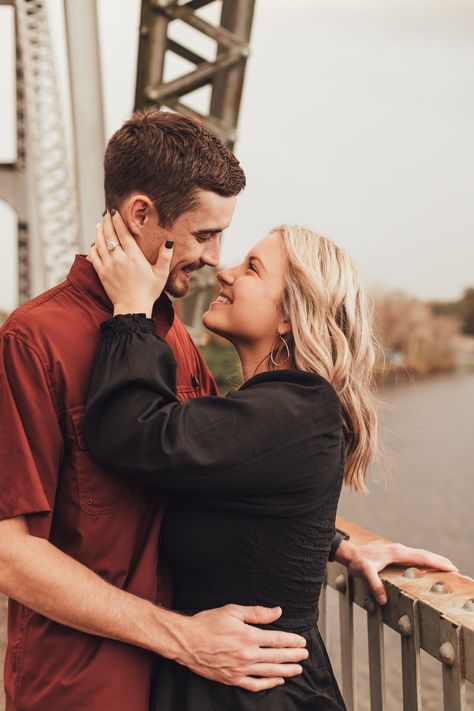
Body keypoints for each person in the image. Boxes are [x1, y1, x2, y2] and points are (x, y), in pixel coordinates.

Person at [0, 110, 456, 711]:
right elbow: (10, 552)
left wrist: (332, 541)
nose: (218, 258)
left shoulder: (174, 342)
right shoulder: (36, 339)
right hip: (87, 687)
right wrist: (181, 637)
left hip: (195, 681)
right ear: (141, 215)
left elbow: (225, 476)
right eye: (205, 234)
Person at [82, 216, 443, 709]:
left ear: (288, 316)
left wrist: (130, 312)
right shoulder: (274, 408)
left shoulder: (299, 408)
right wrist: (331, 542)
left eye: (251, 268)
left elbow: (135, 434)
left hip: (257, 692)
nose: (224, 272)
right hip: (226, 680)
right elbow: (245, 502)